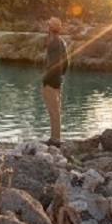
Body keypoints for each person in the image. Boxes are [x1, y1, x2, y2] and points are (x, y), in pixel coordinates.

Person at [41, 16, 69, 147]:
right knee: (56, 110)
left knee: (53, 111)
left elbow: (54, 64)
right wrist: (60, 76)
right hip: (58, 80)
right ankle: (56, 137)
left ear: (49, 28)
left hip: (51, 81)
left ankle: (55, 140)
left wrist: (45, 80)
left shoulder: (53, 43)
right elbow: (66, 63)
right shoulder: (61, 41)